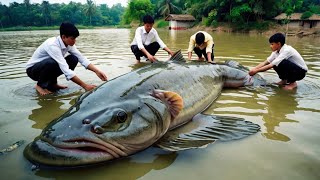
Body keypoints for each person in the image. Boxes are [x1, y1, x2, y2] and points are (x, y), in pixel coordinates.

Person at [26, 22, 107, 96]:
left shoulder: (69, 44)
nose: (74, 41)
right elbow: (64, 68)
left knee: (73, 59)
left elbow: (81, 58)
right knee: (51, 63)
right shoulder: (52, 45)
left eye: (75, 39)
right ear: (64, 37)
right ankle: (40, 85)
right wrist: (85, 86)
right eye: (72, 38)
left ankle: (53, 83)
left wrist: (97, 71)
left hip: (47, 67)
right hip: (33, 71)